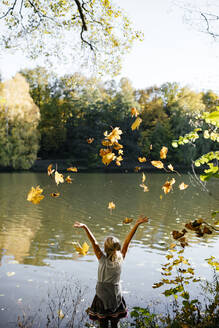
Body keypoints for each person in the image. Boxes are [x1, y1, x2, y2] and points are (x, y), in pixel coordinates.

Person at [74, 217, 149, 328]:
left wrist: (85, 227)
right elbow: (127, 241)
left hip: (102, 295)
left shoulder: (101, 259)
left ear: (105, 248)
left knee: (103, 324)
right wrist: (136, 224)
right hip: (115, 295)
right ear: (117, 248)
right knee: (115, 322)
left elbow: (94, 242)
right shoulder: (121, 258)